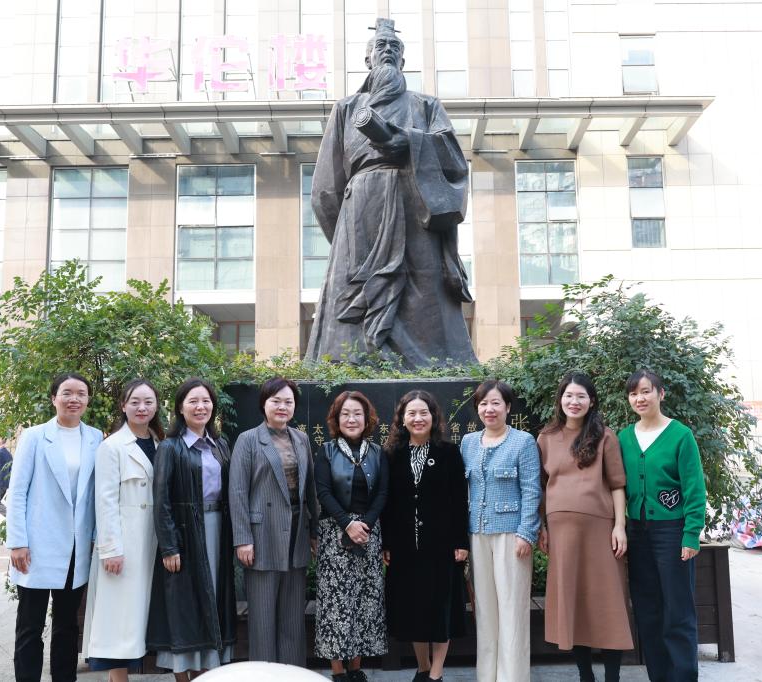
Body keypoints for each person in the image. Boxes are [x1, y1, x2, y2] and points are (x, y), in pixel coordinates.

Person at [304, 17, 476, 368]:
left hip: (415, 204)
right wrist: (345, 236)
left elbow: (454, 158)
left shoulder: (426, 105)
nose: (387, 51)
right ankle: (351, 363)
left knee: (424, 287)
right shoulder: (347, 108)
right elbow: (325, 187)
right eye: (380, 47)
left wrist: (410, 143)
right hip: (360, 209)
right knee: (354, 290)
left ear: (403, 60)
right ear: (367, 59)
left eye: (394, 48)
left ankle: (434, 365)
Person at [6, 372, 103, 682]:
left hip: (76, 546)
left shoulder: (95, 437)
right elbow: (17, 491)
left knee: (66, 624)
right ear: (54, 398)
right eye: (67, 393)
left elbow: (96, 494)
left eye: (81, 394)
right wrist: (17, 542)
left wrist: (97, 538)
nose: (74, 399)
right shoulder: (35, 436)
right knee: (30, 625)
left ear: (88, 400)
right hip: (36, 544)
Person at [537, 372, 633, 682]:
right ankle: (585, 675)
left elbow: (617, 485)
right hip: (561, 533)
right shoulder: (546, 437)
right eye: (568, 395)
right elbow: (541, 487)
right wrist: (542, 526)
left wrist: (619, 526)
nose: (574, 401)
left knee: (609, 602)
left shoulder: (605, 436)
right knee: (573, 601)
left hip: (600, 531)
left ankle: (612, 677)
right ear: (560, 400)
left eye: (581, 396)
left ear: (591, 401)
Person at [618, 369, 707, 682]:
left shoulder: (680, 435)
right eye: (633, 394)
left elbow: (694, 487)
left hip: (671, 530)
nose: (639, 398)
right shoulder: (624, 438)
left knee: (677, 608)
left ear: (661, 394)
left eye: (646, 391)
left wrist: (691, 534)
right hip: (636, 532)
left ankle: (683, 676)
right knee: (647, 609)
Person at [147, 378, 236, 680]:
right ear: (180, 408)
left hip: (218, 530)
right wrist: (169, 546)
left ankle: (207, 672)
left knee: (213, 598)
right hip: (186, 535)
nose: (200, 407)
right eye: (193, 401)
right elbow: (161, 501)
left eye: (206, 401)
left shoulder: (221, 445)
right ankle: (183, 675)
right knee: (185, 604)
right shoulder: (170, 448)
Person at [381, 390, 469, 682]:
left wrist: (461, 542)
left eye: (423, 413)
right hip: (405, 547)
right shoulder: (393, 454)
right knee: (414, 608)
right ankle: (422, 667)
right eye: (411, 413)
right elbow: (388, 503)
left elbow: (460, 500)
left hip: (442, 546)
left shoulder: (448, 452)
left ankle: (436, 673)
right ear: (402, 419)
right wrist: (387, 543)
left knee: (441, 608)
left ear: (433, 417)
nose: (418, 418)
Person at [230, 377, 319, 666]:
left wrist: (315, 531)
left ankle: (292, 672)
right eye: (276, 401)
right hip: (262, 535)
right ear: (264, 403)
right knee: (263, 618)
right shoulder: (248, 440)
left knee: (293, 618)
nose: (282, 406)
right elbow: (238, 491)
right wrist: (243, 538)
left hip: (296, 533)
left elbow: (310, 489)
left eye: (288, 402)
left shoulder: (301, 439)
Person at [458, 380, 540, 682]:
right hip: (477, 534)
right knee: (485, 611)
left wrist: (526, 533)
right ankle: (487, 676)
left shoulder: (523, 441)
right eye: (483, 404)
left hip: (511, 535)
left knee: (512, 610)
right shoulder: (468, 442)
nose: (489, 409)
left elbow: (531, 490)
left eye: (495, 403)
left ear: (507, 407)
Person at [82, 379, 164, 681]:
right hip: (125, 545)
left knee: (137, 616)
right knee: (117, 618)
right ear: (123, 405)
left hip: (154, 542)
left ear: (156, 406)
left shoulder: (160, 443)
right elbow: (104, 502)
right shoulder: (112, 446)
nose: (142, 408)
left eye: (148, 402)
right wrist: (111, 549)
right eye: (135, 402)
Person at [313, 390, 389, 682]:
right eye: (345, 414)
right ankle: (338, 672)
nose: (351, 419)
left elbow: (382, 493)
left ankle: (356, 669)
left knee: (365, 601)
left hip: (368, 534)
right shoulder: (327, 451)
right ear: (336, 419)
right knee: (336, 603)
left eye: (357, 413)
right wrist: (347, 524)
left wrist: (365, 525)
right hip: (335, 534)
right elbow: (323, 492)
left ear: (367, 418)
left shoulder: (377, 452)